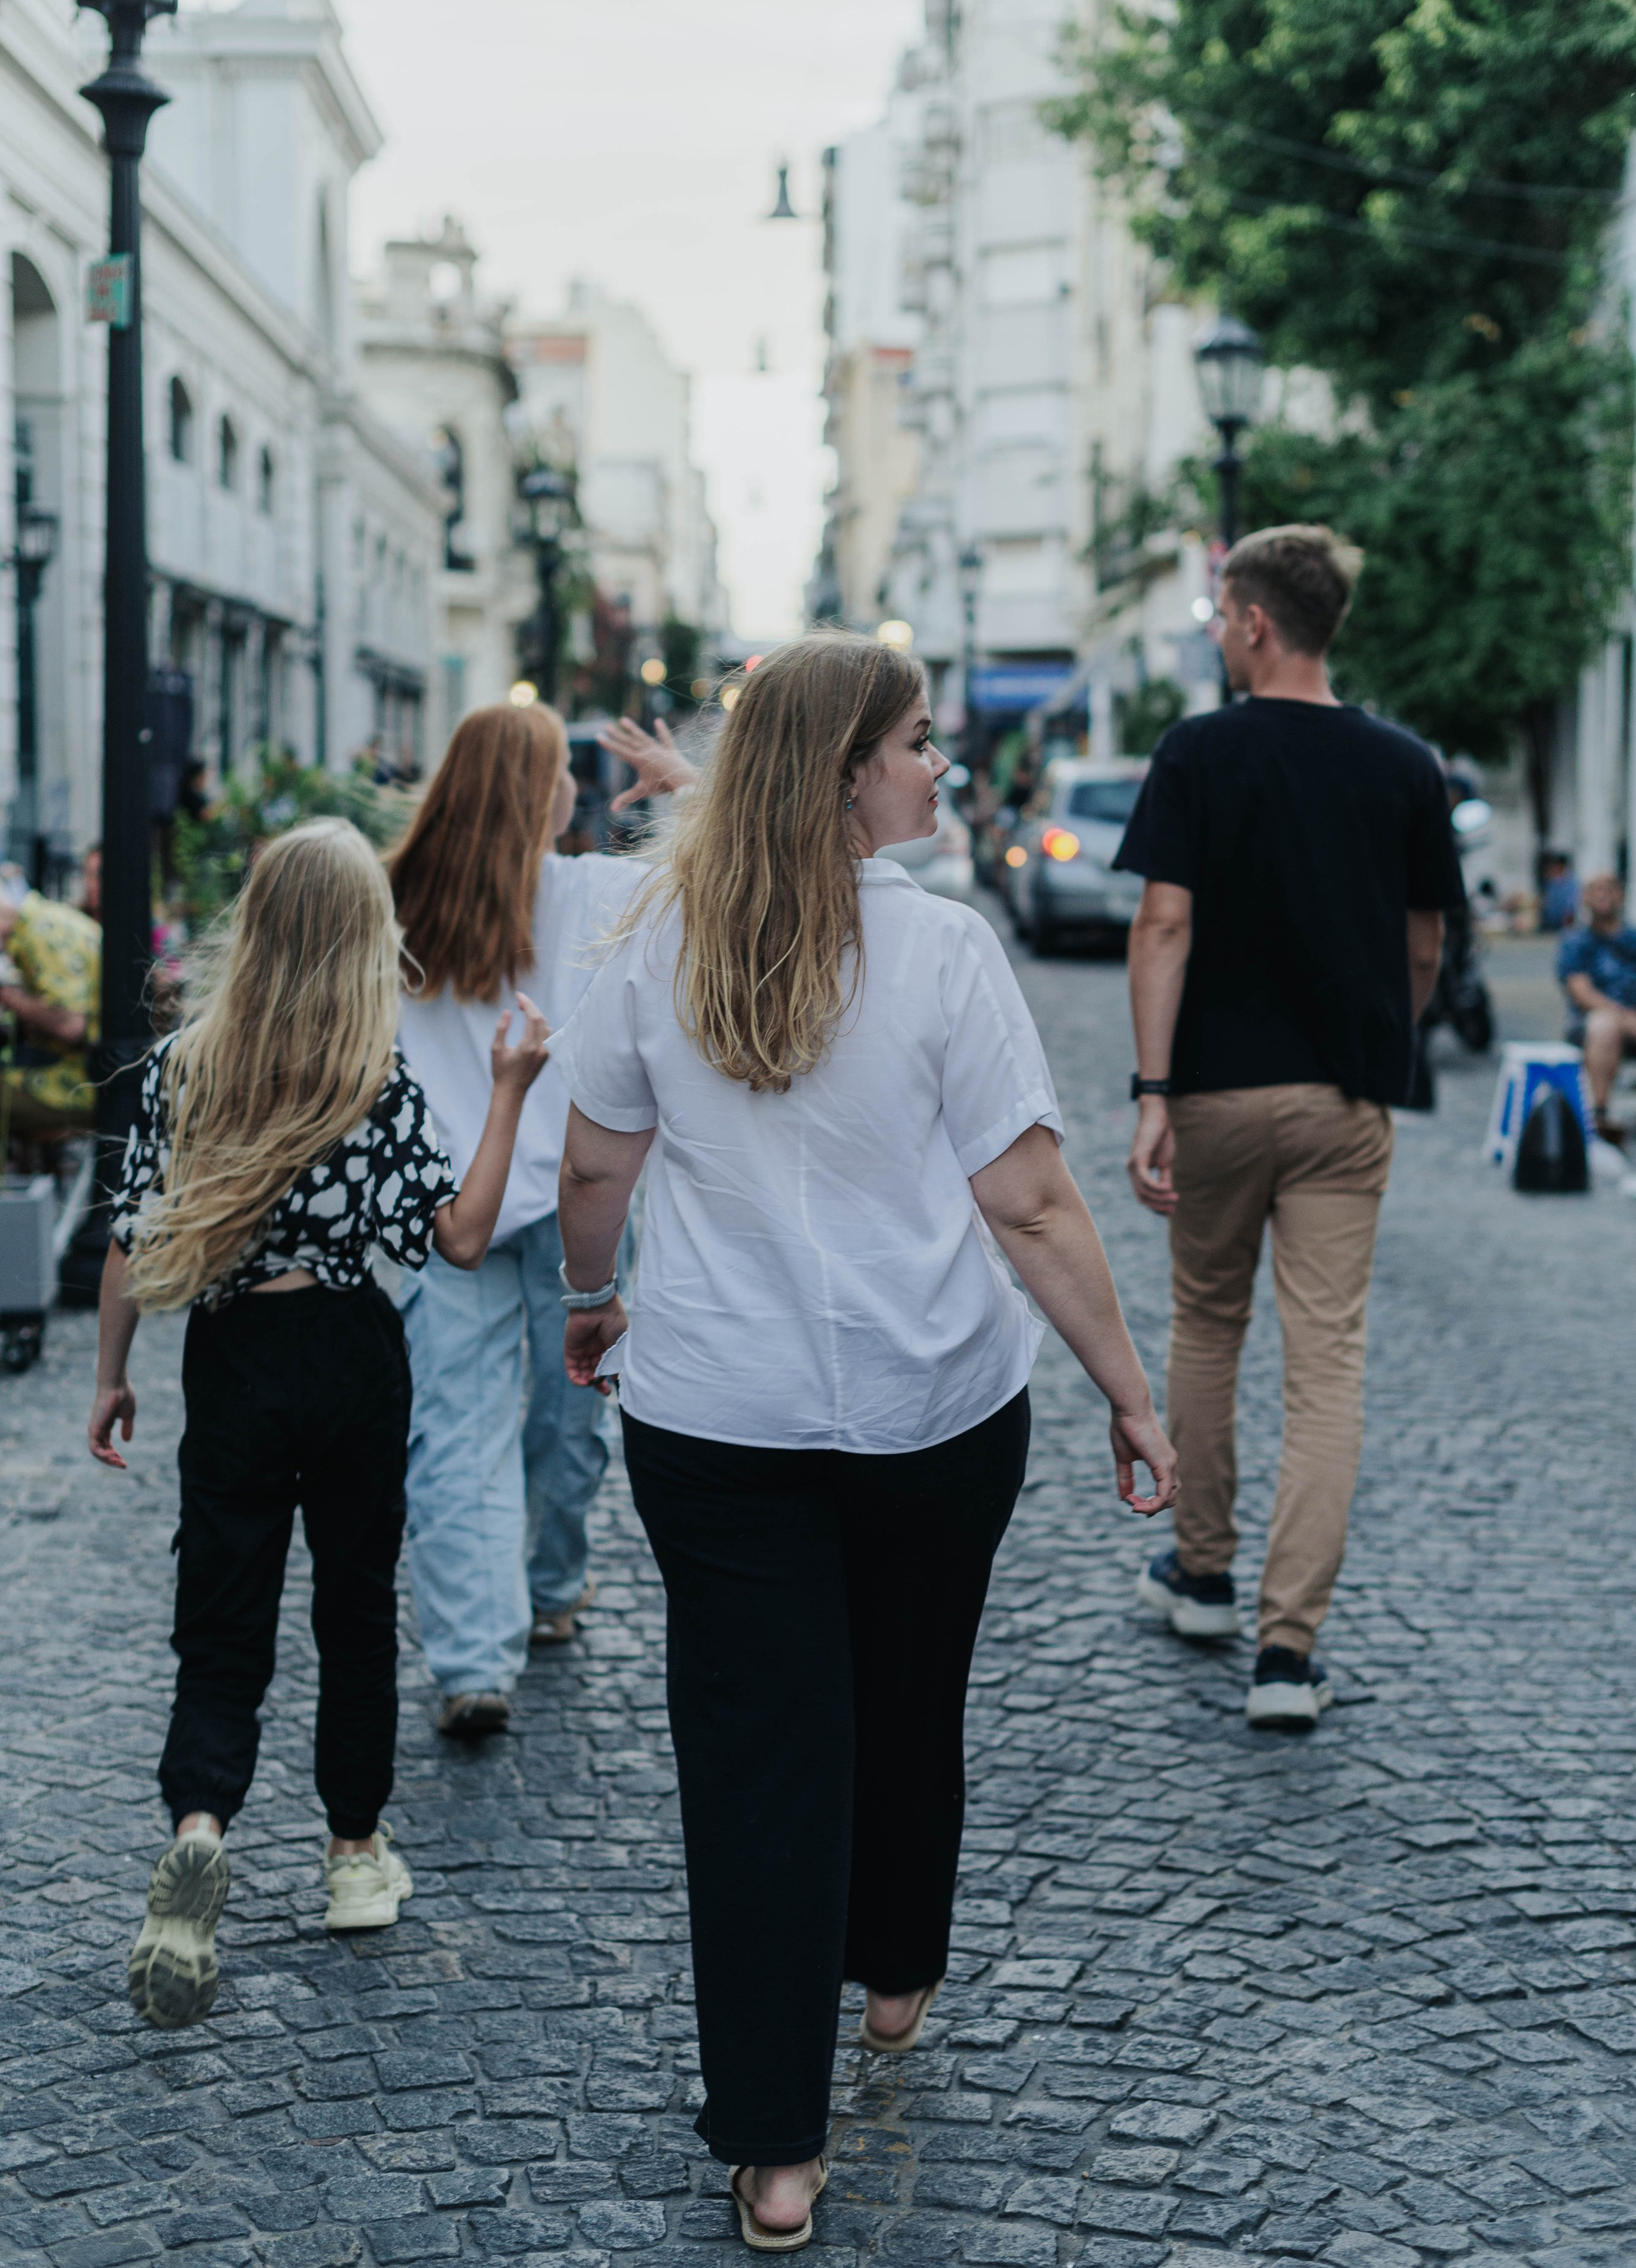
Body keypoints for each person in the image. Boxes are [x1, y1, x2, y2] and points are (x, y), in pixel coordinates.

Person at [550, 635, 1177, 2250]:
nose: (937, 768)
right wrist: (1125, 1383)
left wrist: (584, 1294)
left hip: (716, 1407)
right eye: (915, 743)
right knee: (907, 1687)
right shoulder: (944, 954)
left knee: (757, 1753)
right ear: (842, 775)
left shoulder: (650, 939)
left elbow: (597, 1167)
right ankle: (892, 1973)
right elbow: (1027, 1200)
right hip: (931, 1402)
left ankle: (772, 2146)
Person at [88, 818, 549, 2031]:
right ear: (360, 938)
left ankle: (200, 1830)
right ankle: (353, 1857)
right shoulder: (376, 1077)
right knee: (353, 1614)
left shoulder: (190, 1065)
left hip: (236, 1361)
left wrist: (110, 1377)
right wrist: (507, 1092)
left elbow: (133, 1239)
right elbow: (458, 1238)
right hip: (352, 1352)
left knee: (223, 1624)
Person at [1115, 525, 1464, 1729]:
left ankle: (1201, 1572)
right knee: (1329, 1367)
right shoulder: (1407, 765)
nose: (1216, 635)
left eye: (1219, 616)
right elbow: (1424, 945)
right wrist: (1382, 1040)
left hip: (1213, 1092)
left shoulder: (1200, 753)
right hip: (1342, 1099)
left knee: (1208, 1326)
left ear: (1257, 624)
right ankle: (1286, 1653)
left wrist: (1152, 1092)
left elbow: (1163, 926)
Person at [390, 701, 693, 1738]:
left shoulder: (394, 907)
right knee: (571, 1413)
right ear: (547, 793)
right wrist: (686, 786)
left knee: (454, 1425)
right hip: (577, 1199)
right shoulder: (601, 894)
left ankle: (475, 1659)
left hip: (444, 1203)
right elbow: (752, 874)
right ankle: (554, 1586)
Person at [0, 879, 100, 1137]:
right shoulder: (44, 921)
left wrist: (10, 997)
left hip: (82, 1085)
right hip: (89, 1072)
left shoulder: (41, 931)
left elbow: (71, 1025)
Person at [1557, 871, 1636, 1140]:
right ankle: (1599, 1113)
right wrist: (1624, 1017)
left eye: (1609, 888)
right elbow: (1582, 992)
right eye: (1594, 889)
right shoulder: (1575, 942)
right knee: (1604, 1025)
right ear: (1585, 898)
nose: (1602, 894)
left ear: (1621, 894)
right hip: (1592, 1023)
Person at [1538, 848, 1578, 935]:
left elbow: (1570, 910)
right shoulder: (1550, 884)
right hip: (1549, 927)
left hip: (1564, 930)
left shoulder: (1571, 885)